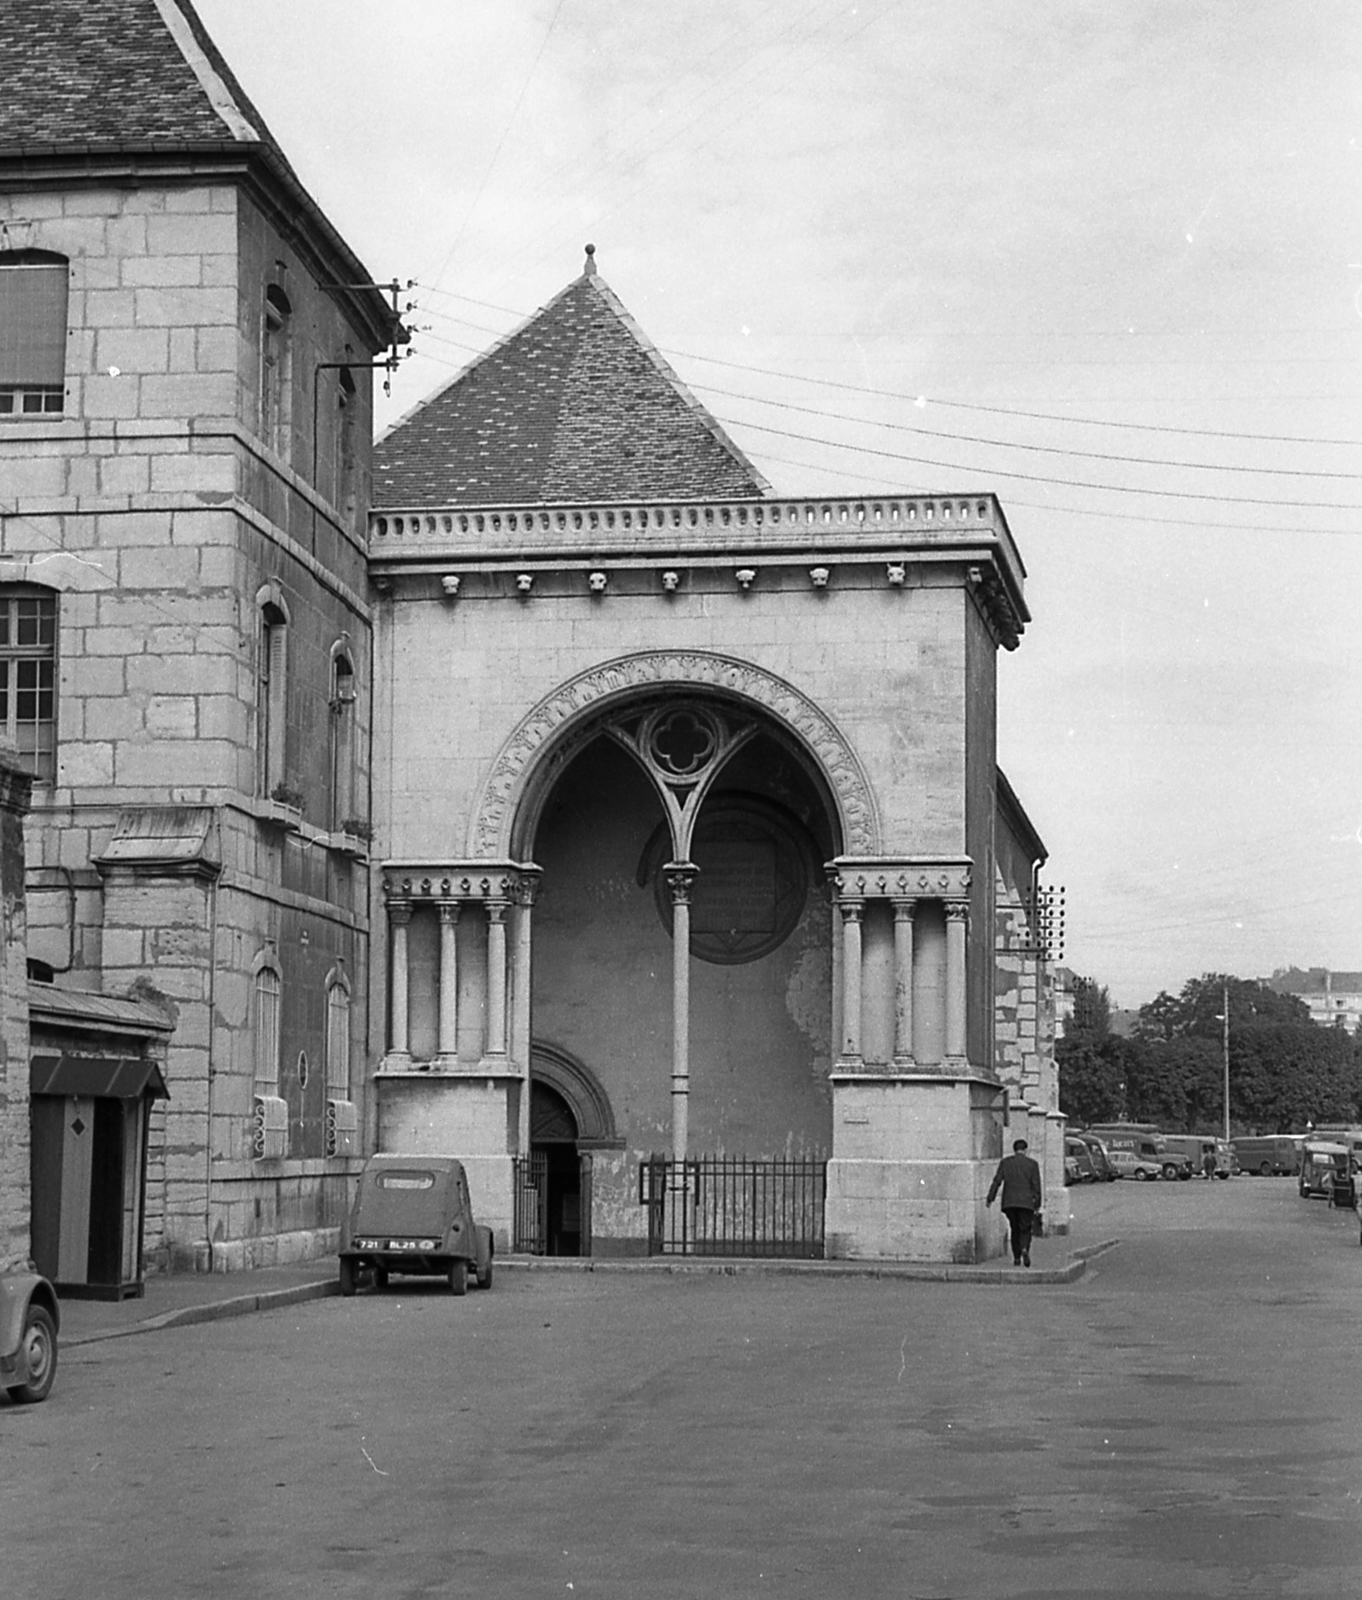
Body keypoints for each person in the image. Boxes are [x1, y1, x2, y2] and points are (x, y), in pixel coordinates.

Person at [986, 1137, 1044, 1266]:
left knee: (1014, 1228)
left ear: (1014, 1150)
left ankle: (1017, 1257)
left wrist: (990, 1197)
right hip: (1026, 1203)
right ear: (1025, 1150)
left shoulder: (1006, 1163)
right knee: (1026, 1228)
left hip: (1010, 1203)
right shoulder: (1032, 1164)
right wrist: (1037, 1204)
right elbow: (1036, 1186)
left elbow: (997, 1181)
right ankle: (1024, 1248)